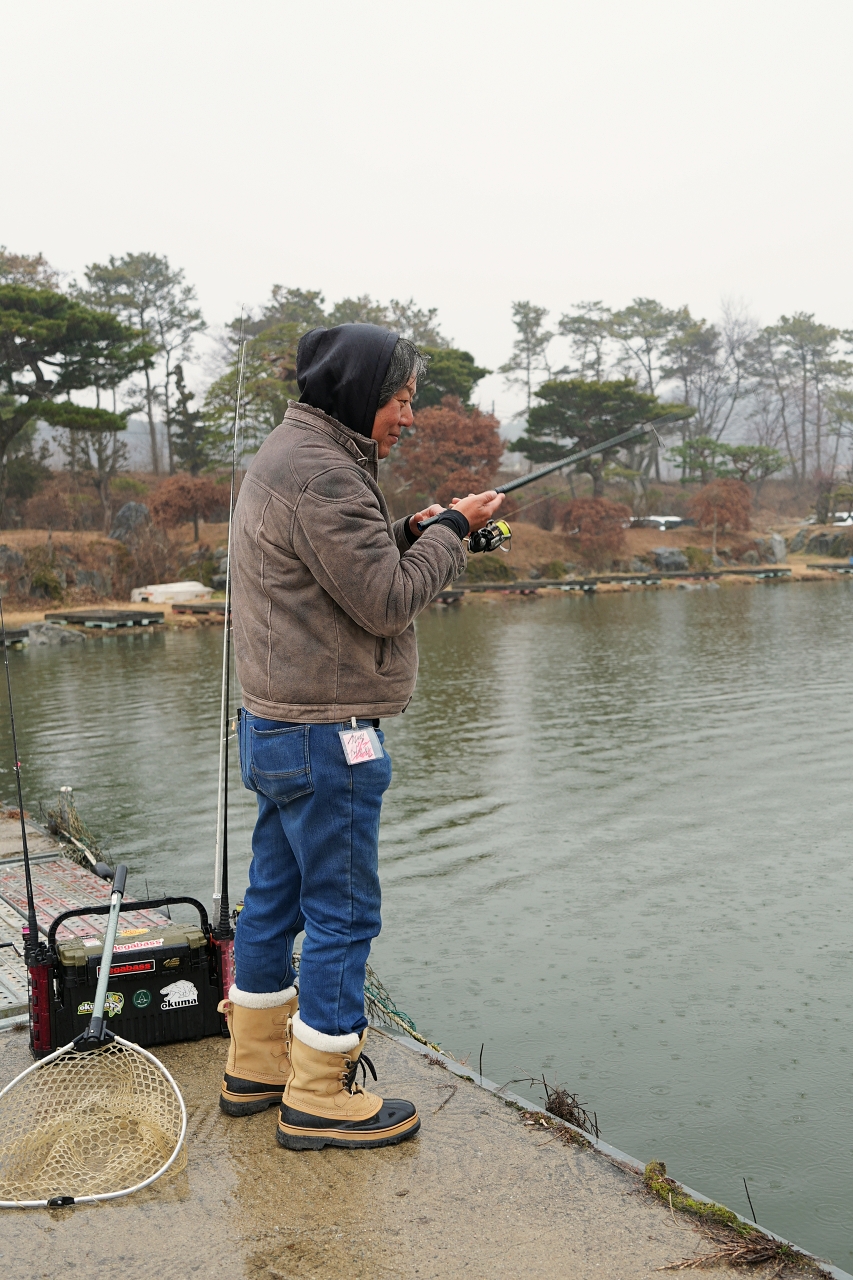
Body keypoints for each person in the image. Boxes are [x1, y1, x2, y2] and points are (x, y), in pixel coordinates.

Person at [218, 323, 503, 1151]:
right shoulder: (326, 477)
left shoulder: (291, 454)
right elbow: (383, 601)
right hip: (328, 734)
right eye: (401, 400)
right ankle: (319, 1094)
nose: (408, 417)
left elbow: (339, 571)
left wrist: (417, 530)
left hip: (274, 725)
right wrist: (451, 535)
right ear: (358, 393)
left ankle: (257, 1066)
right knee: (343, 915)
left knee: (271, 900)